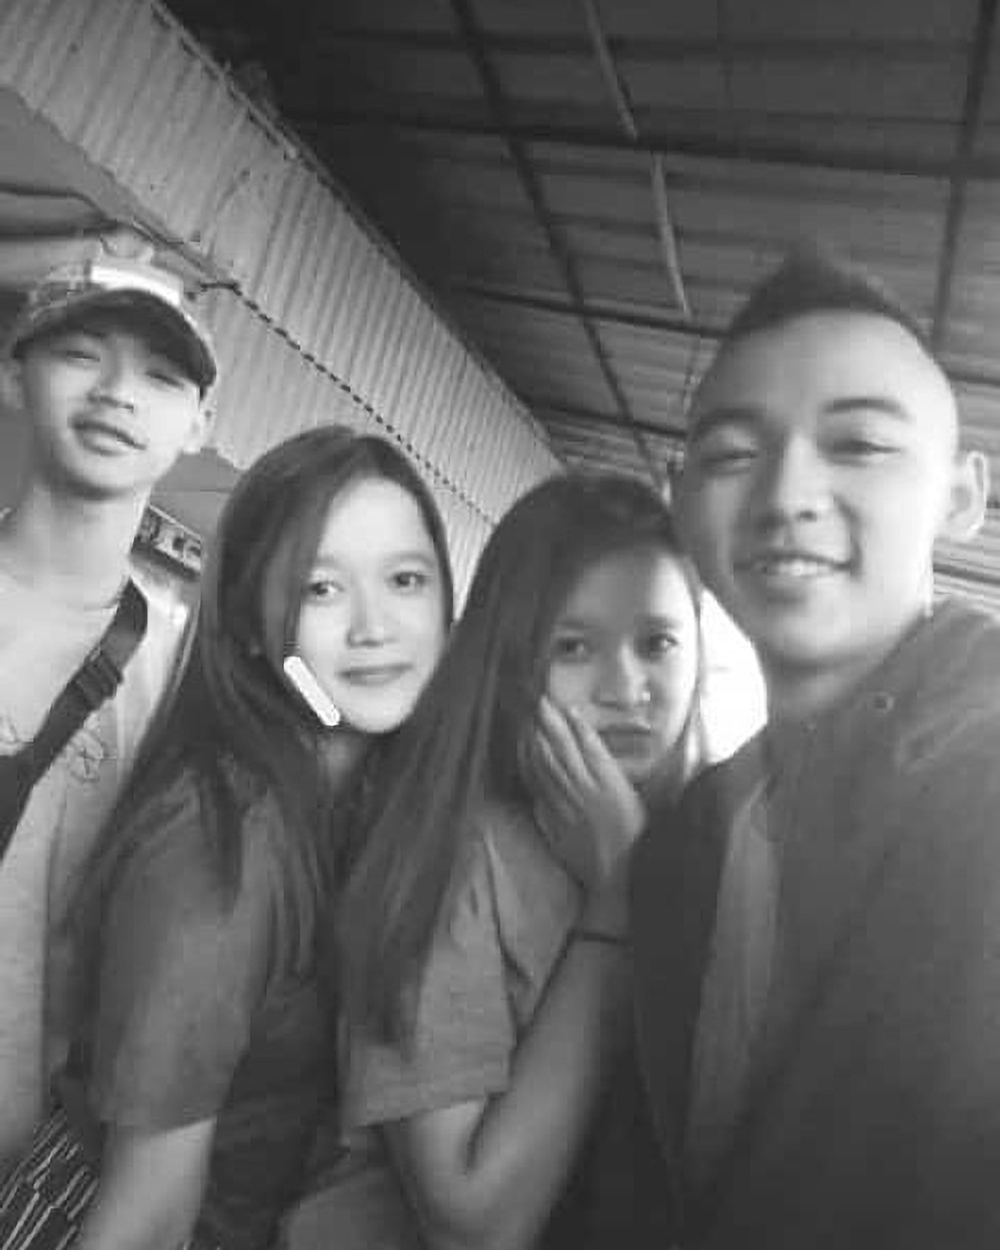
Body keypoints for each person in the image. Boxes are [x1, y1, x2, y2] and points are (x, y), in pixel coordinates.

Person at [0, 426, 454, 1250]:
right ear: (248, 622)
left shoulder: (358, 810)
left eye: (405, 580)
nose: (375, 627)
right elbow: (147, 1218)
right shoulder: (229, 845)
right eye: (322, 588)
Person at [627, 248, 998, 1247]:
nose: (787, 492)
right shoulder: (688, 836)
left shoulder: (983, 784)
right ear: (679, 495)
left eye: (860, 444)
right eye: (732, 454)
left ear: (962, 496)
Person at [288, 472, 704, 1250]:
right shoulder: (455, 856)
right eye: (574, 647)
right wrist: (619, 898)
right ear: (511, 662)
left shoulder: (715, 849)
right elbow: (473, 1223)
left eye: (658, 643)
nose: (626, 688)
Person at [0, 245, 215, 1168]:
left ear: (200, 426)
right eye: (81, 354)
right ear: (15, 376)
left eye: (161, 376)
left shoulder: (187, 688)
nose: (119, 392)